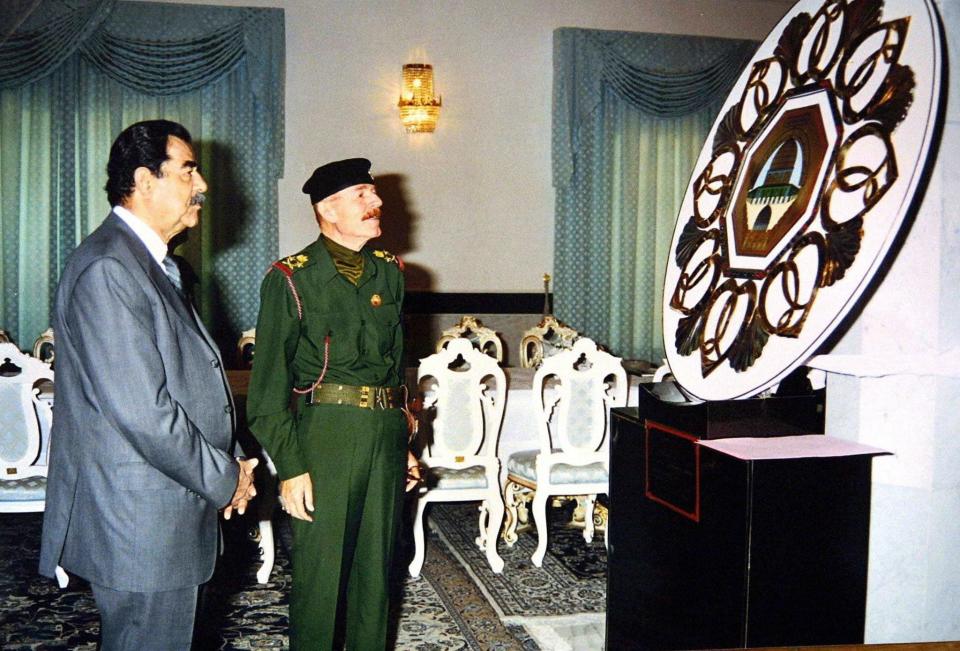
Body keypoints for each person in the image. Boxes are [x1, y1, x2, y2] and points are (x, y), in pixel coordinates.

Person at [39, 119, 258, 650]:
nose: (201, 184)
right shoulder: (109, 268)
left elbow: (190, 382)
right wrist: (225, 477)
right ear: (144, 181)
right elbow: (144, 412)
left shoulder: (151, 263)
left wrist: (231, 461)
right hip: (141, 521)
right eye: (187, 170)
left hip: (166, 510)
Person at [247, 157, 420, 649]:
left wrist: (402, 439)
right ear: (328, 208)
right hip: (326, 437)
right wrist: (291, 467)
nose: (377, 202)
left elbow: (394, 368)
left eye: (373, 193)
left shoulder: (390, 273)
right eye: (363, 195)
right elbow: (266, 393)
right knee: (321, 581)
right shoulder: (291, 278)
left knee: (377, 575)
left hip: (383, 436)